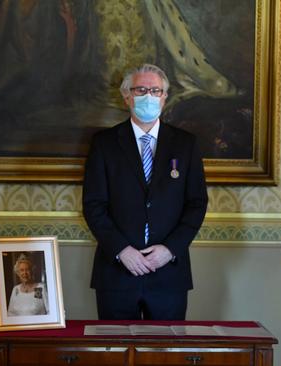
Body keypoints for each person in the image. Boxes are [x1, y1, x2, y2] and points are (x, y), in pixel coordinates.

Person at [83, 63, 208, 320]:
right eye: (141, 90)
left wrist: (170, 249)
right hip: (117, 274)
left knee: (165, 357)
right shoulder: (104, 144)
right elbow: (94, 205)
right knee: (116, 355)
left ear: (164, 98)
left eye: (155, 90)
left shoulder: (186, 144)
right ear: (127, 96)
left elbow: (196, 203)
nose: (149, 96)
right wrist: (122, 250)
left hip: (169, 275)